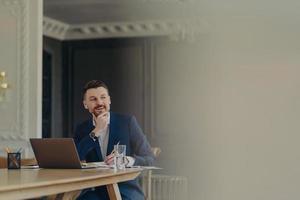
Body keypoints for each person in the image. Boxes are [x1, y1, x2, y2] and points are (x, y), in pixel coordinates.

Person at [74, 80, 154, 200]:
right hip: (96, 191)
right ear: (85, 104)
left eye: (103, 97)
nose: (99, 102)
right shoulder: (82, 129)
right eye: (93, 99)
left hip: (126, 191)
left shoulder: (127, 122)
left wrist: (128, 161)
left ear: (109, 100)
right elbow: (76, 157)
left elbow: (150, 158)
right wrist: (95, 132)